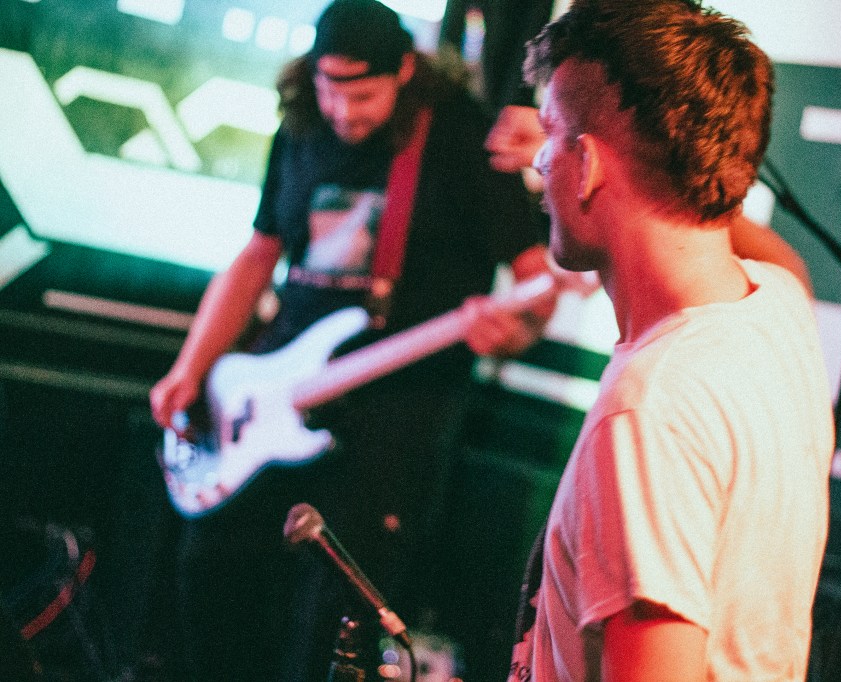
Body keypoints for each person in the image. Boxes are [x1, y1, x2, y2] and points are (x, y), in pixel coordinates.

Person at [148, 1, 553, 679]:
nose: (342, 111)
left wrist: (512, 332)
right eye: (329, 90)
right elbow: (259, 253)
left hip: (395, 415)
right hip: (280, 392)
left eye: (362, 95)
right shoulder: (302, 125)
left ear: (404, 72)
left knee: (334, 623)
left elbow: (537, 277)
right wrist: (191, 367)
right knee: (209, 571)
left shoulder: (459, 134)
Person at [504, 1, 836, 680]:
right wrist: (692, 155)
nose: (538, 160)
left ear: (589, 165)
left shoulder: (649, 410)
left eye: (551, 133)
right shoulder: (778, 305)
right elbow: (785, 263)